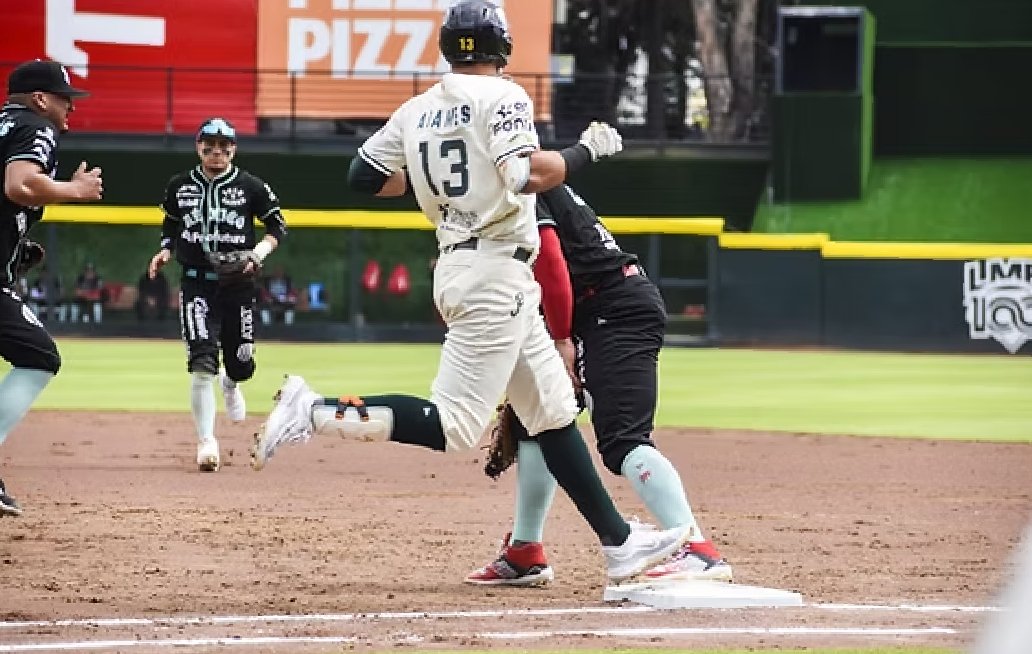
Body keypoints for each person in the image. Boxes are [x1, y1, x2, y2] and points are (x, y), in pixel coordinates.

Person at [251, 0, 692, 585]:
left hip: (470, 265)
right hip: (494, 270)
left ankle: (617, 543)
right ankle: (312, 409)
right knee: (456, 424)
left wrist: (433, 184)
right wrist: (588, 150)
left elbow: (360, 176)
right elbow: (525, 176)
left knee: (553, 410)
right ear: (502, 49)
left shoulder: (417, 108)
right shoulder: (505, 97)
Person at [465, 183, 733, 585]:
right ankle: (525, 551)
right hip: (591, 307)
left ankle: (696, 548)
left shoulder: (516, 177)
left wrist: (561, 339)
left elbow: (551, 259)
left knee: (624, 439)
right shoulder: (515, 177)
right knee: (536, 421)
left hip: (614, 307)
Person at [147, 117, 287, 473]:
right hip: (196, 281)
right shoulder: (180, 185)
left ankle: (231, 382)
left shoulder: (250, 186)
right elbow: (171, 223)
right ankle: (207, 441)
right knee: (201, 361)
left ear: (233, 149)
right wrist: (165, 249)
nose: (216, 154)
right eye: (209, 147)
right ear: (199, 148)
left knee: (241, 362)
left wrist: (258, 255)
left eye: (224, 148)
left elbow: (276, 225)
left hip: (238, 282)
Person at [0, 59, 103, 515]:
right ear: (41, 99)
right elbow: (19, 184)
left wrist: (15, 246)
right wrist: (74, 190)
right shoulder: (33, 126)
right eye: (65, 99)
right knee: (39, 356)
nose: (70, 110)